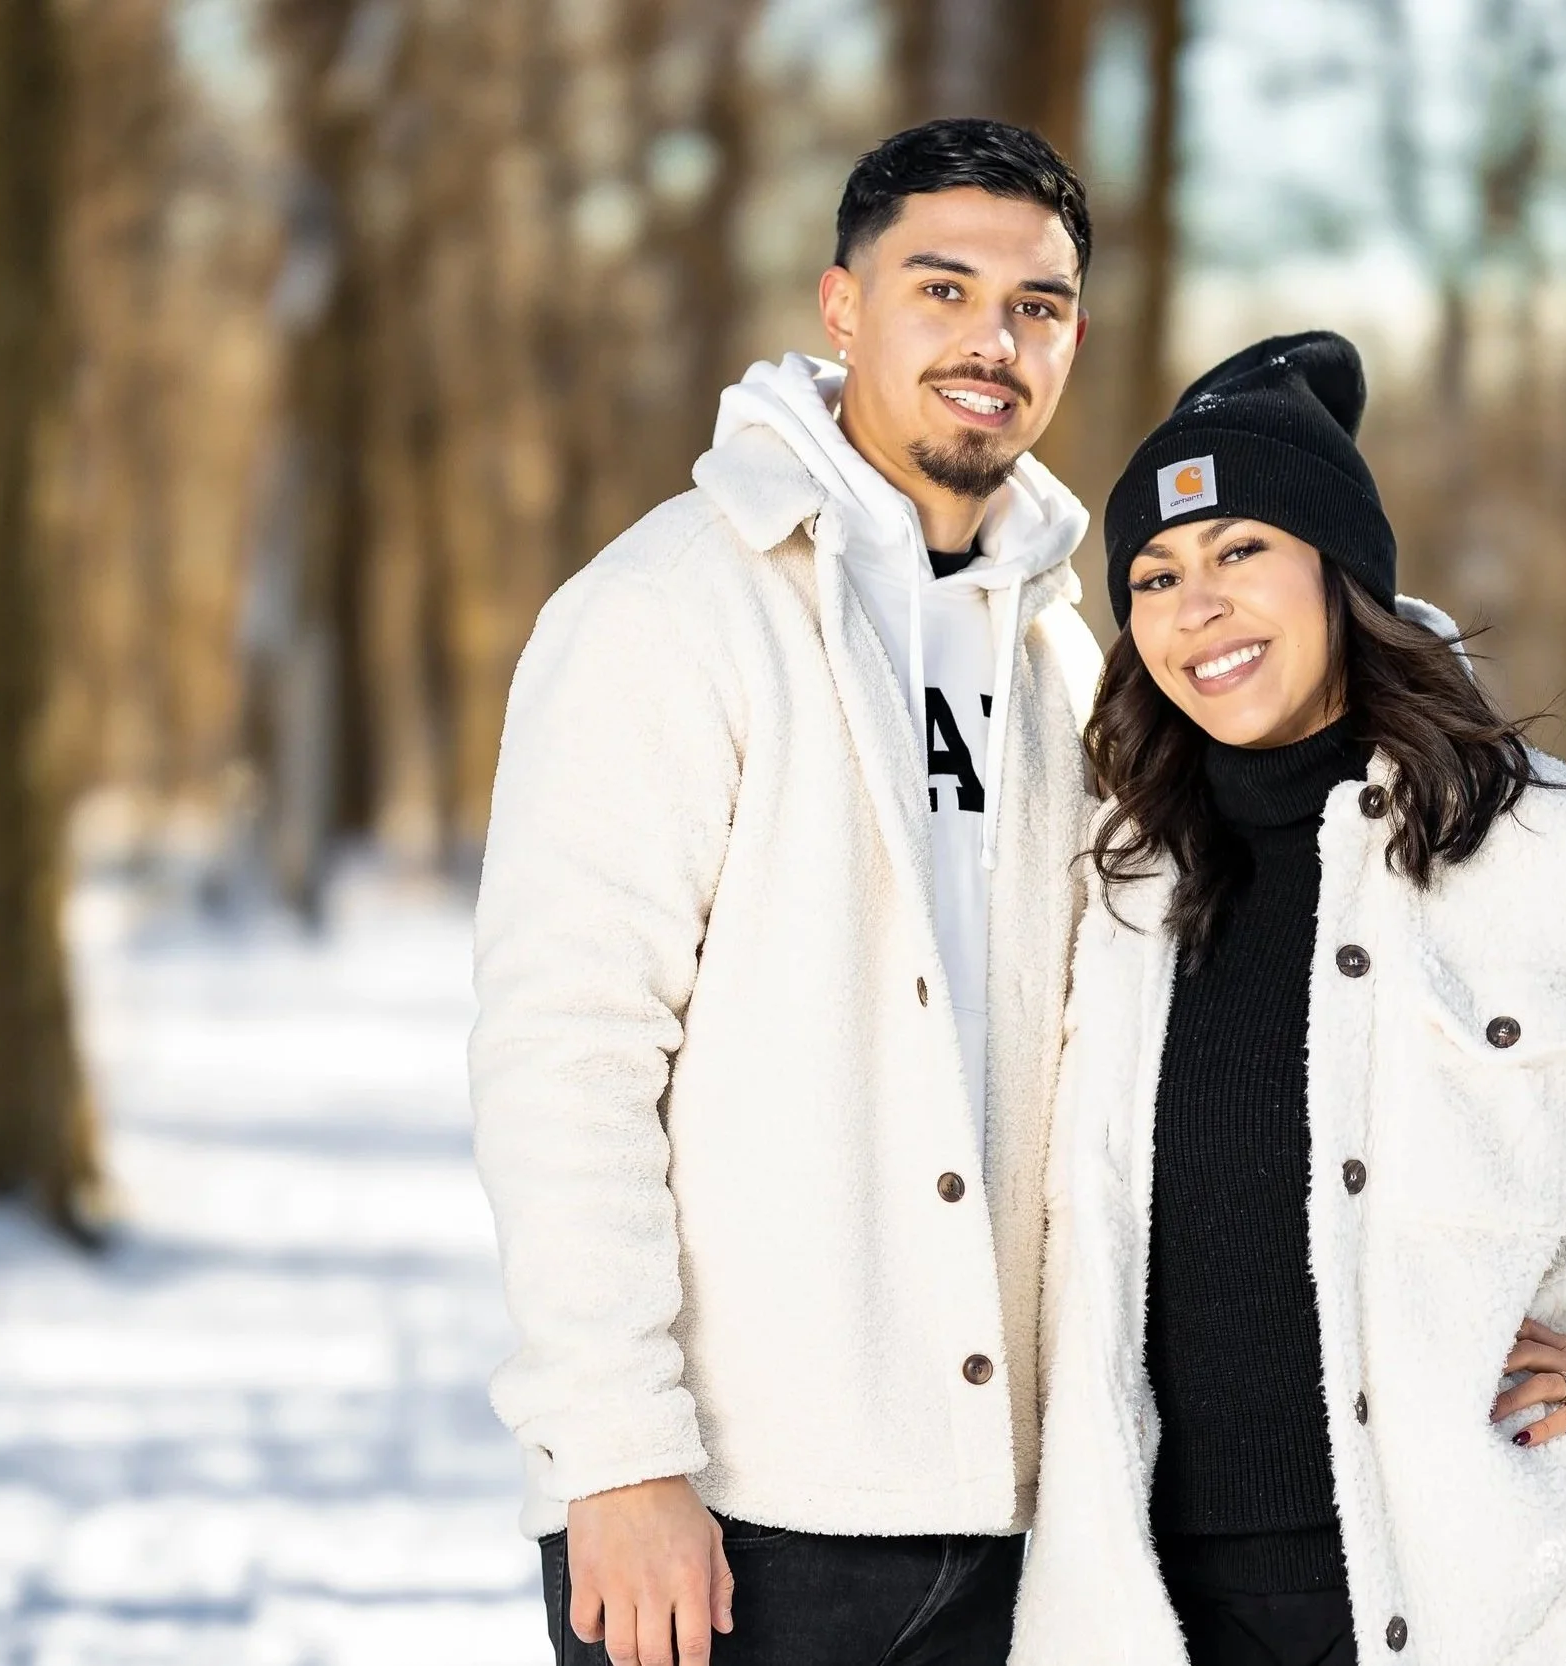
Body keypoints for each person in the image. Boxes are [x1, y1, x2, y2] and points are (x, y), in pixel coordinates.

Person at [1012, 332, 1566, 1666]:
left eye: (1240, 551)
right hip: (1163, 1608)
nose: (1195, 604)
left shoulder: (1557, 853)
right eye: (1154, 574)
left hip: (1485, 1606)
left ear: (1344, 573)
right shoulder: (1118, 881)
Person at [469, 119, 1104, 1666]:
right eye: (940, 290)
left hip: (1031, 1522)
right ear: (840, 307)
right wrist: (619, 1457)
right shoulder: (668, 610)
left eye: (1037, 306)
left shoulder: (1062, 655)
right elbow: (566, 1054)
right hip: (741, 1522)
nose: (992, 342)